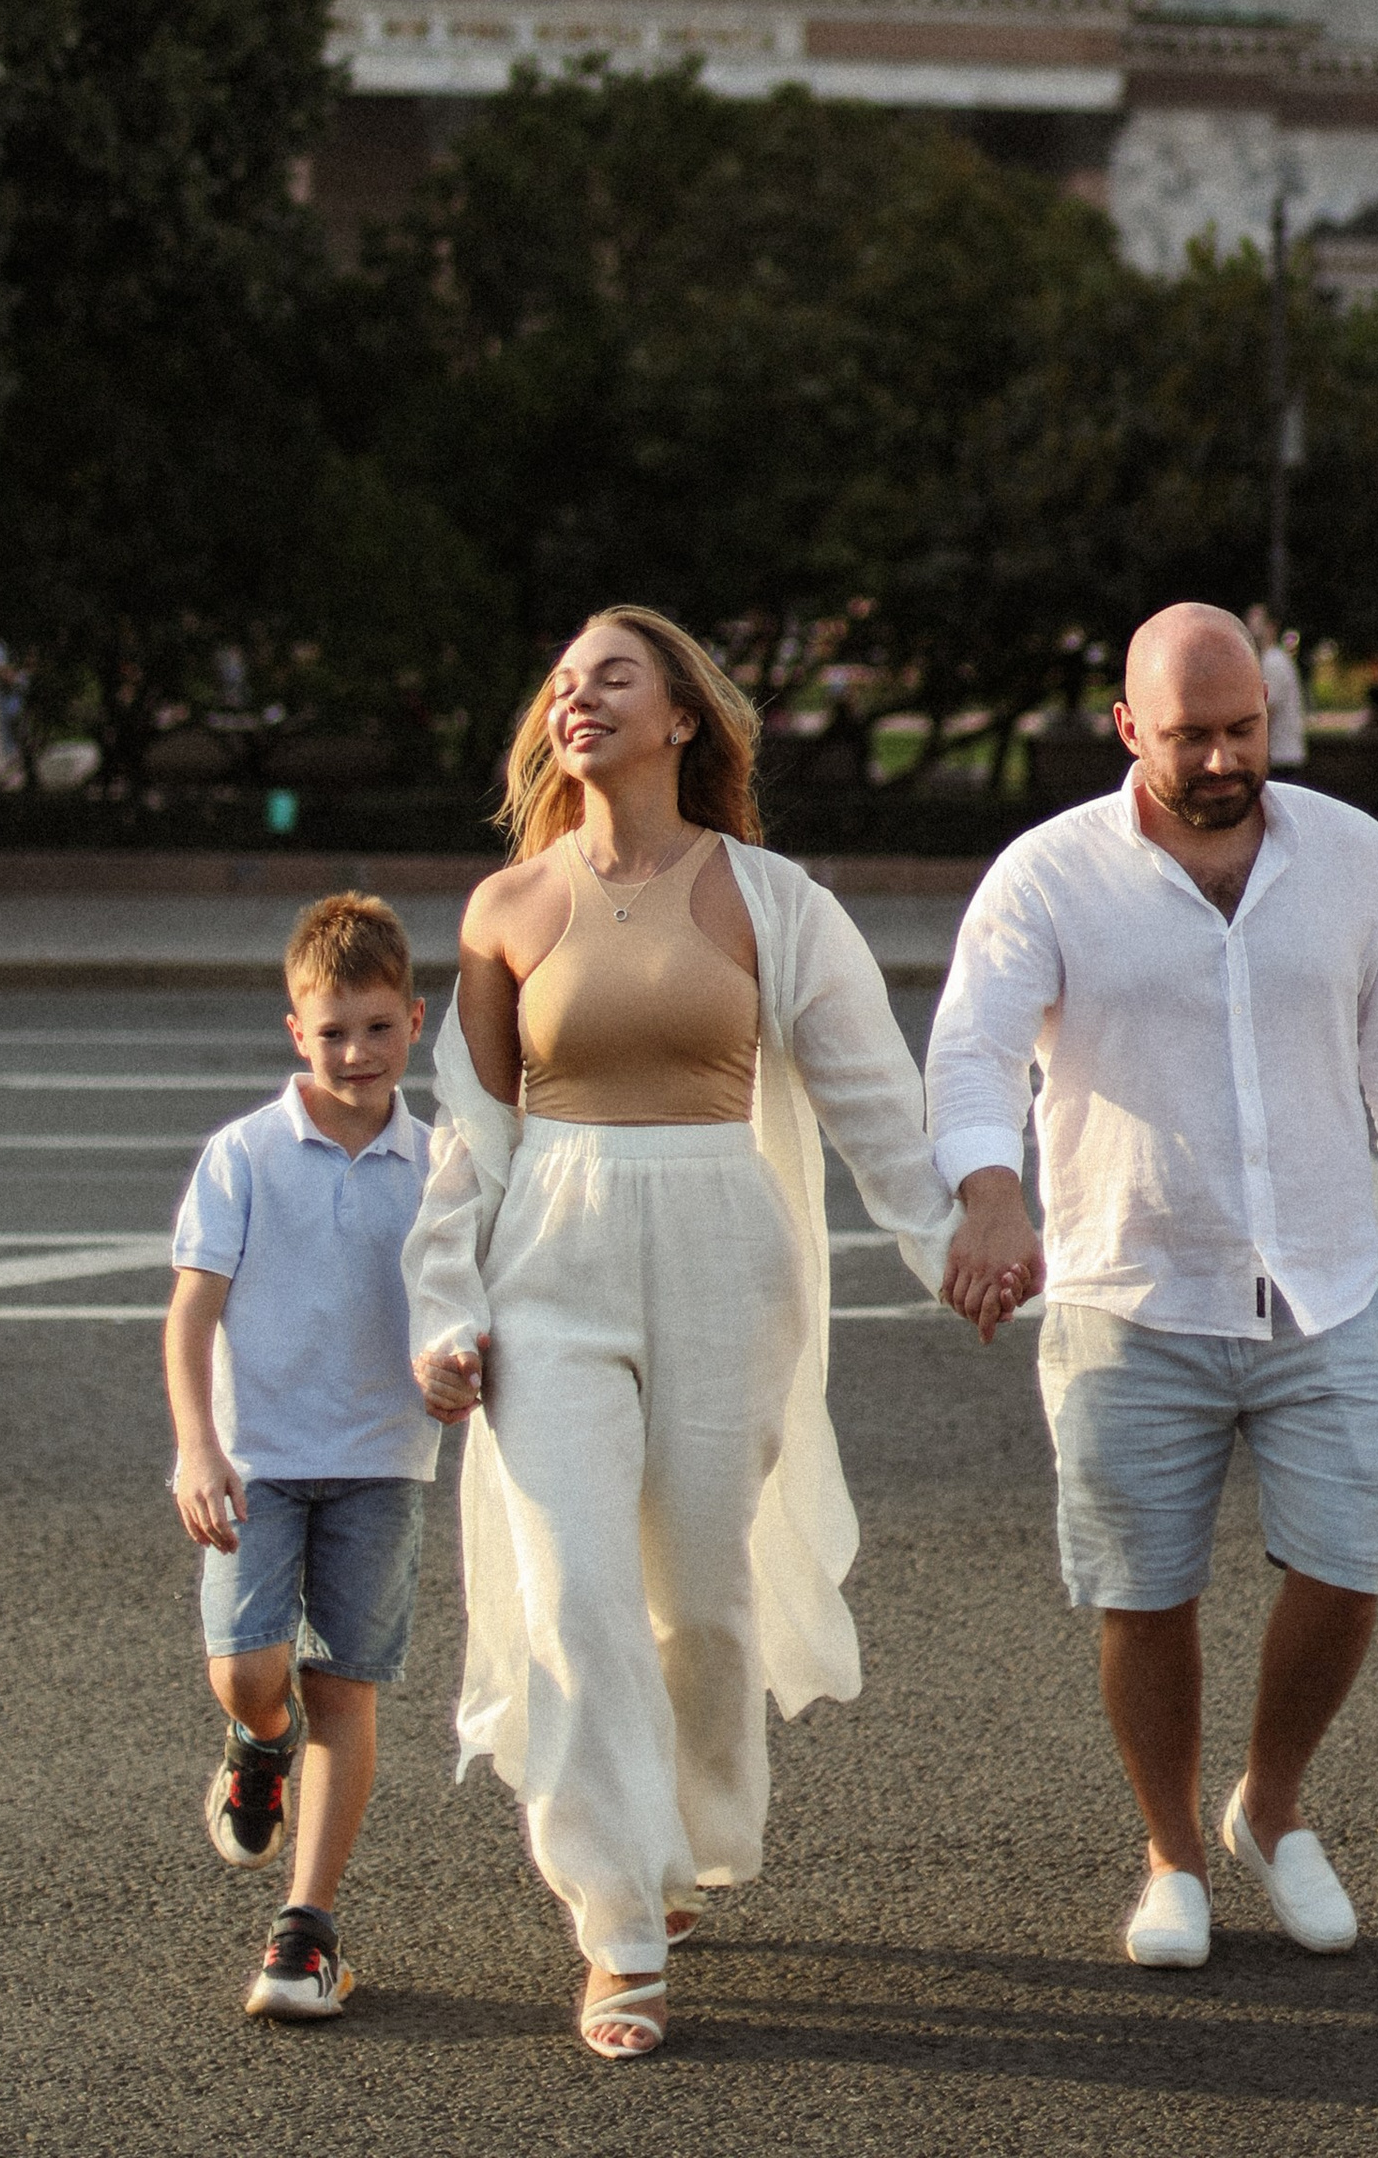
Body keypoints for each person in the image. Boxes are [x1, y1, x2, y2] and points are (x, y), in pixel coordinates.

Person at [404, 609, 964, 2063]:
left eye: (614, 678)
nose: (577, 698)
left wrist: (955, 1248)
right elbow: (468, 1144)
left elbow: (874, 1108)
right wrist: (447, 1315)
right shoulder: (507, 907)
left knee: (701, 1605)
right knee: (578, 1594)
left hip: (728, 1257)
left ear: (684, 721)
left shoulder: (774, 902)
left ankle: (697, 1828)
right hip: (552, 1270)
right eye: (563, 681)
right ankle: (618, 1926)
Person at [927, 603, 1378, 1973]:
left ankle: (1270, 1806)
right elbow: (975, 1052)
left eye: (1245, 730)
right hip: (1132, 1289)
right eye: (1193, 736)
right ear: (1130, 729)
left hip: (1323, 1281)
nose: (1227, 758)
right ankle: (1172, 1851)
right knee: (1145, 1589)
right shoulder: (1047, 877)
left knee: (1352, 1551)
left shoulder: (1351, 859)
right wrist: (990, 1191)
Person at [165, 891, 439, 2023]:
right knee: (250, 1670)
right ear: (295, 1030)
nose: (356, 1052)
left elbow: (472, 1301)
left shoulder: (442, 1162)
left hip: (383, 1459)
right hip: (259, 1460)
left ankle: (306, 1927)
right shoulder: (243, 1157)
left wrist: (466, 1369)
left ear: (414, 1024)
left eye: (377, 1028)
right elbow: (189, 1318)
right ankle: (255, 1741)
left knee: (346, 1686)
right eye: (332, 1031)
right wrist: (197, 1447)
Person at [1245, 605, 1307, 769]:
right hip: (1280, 755)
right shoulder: (1270, 659)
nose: (1251, 628)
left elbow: (1266, 711)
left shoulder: (1274, 661)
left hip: (1281, 756)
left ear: (1271, 627)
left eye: (1257, 622)